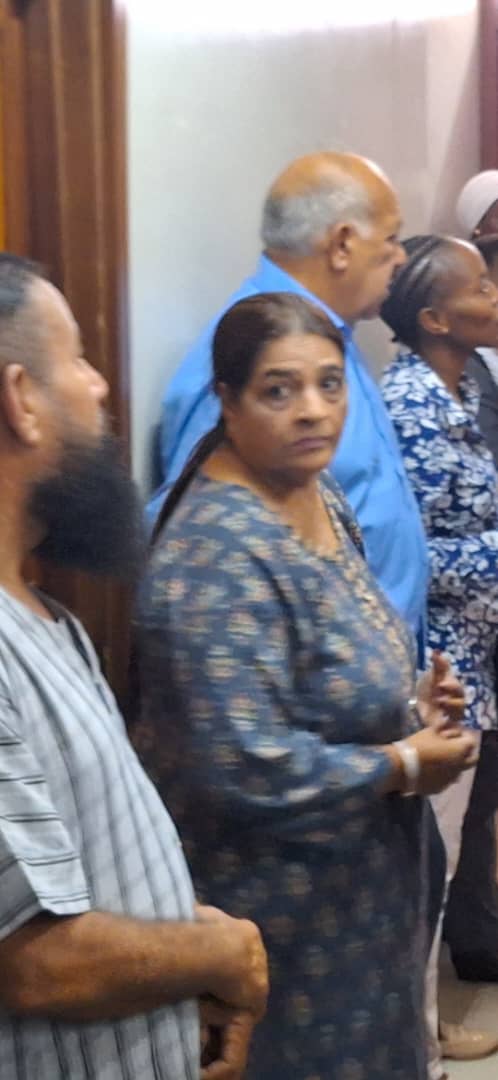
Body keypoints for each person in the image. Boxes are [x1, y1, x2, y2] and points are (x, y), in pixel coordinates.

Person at [135, 291, 478, 1080]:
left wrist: (413, 709)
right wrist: (402, 763)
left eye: (329, 383)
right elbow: (241, 762)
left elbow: (333, 676)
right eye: (278, 390)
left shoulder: (316, 493)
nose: (313, 410)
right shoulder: (215, 553)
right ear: (226, 401)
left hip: (366, 904)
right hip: (281, 919)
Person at [0, 253, 268, 1080]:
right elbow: (31, 960)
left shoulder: (43, 619)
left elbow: (82, 872)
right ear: (20, 399)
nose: (100, 386)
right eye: (78, 359)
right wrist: (219, 954)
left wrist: (184, 956)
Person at [148, 151, 429, 647]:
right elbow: (210, 556)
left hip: (377, 669)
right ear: (342, 245)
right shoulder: (245, 357)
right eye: (391, 239)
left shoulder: (329, 337)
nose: (401, 257)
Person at [380, 235, 498, 1079]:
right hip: (437, 668)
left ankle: (420, 1032)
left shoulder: (465, 387)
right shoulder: (410, 407)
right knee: (430, 862)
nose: (495, 295)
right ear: (434, 318)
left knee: (447, 859)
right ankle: (414, 1048)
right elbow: (419, 554)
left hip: (474, 659)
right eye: (480, 286)